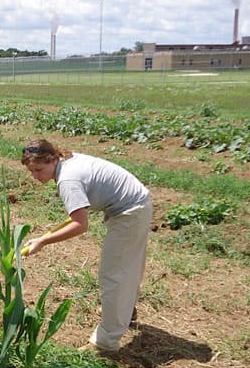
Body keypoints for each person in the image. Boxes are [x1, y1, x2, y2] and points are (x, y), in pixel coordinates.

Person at [21, 138, 152, 353]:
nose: (35, 176)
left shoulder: (67, 180)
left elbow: (80, 225)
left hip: (130, 212)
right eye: (31, 171)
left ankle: (105, 343)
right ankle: (124, 312)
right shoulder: (68, 161)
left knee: (113, 274)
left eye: (38, 169)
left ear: (52, 159)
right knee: (128, 267)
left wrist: (42, 241)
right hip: (138, 203)